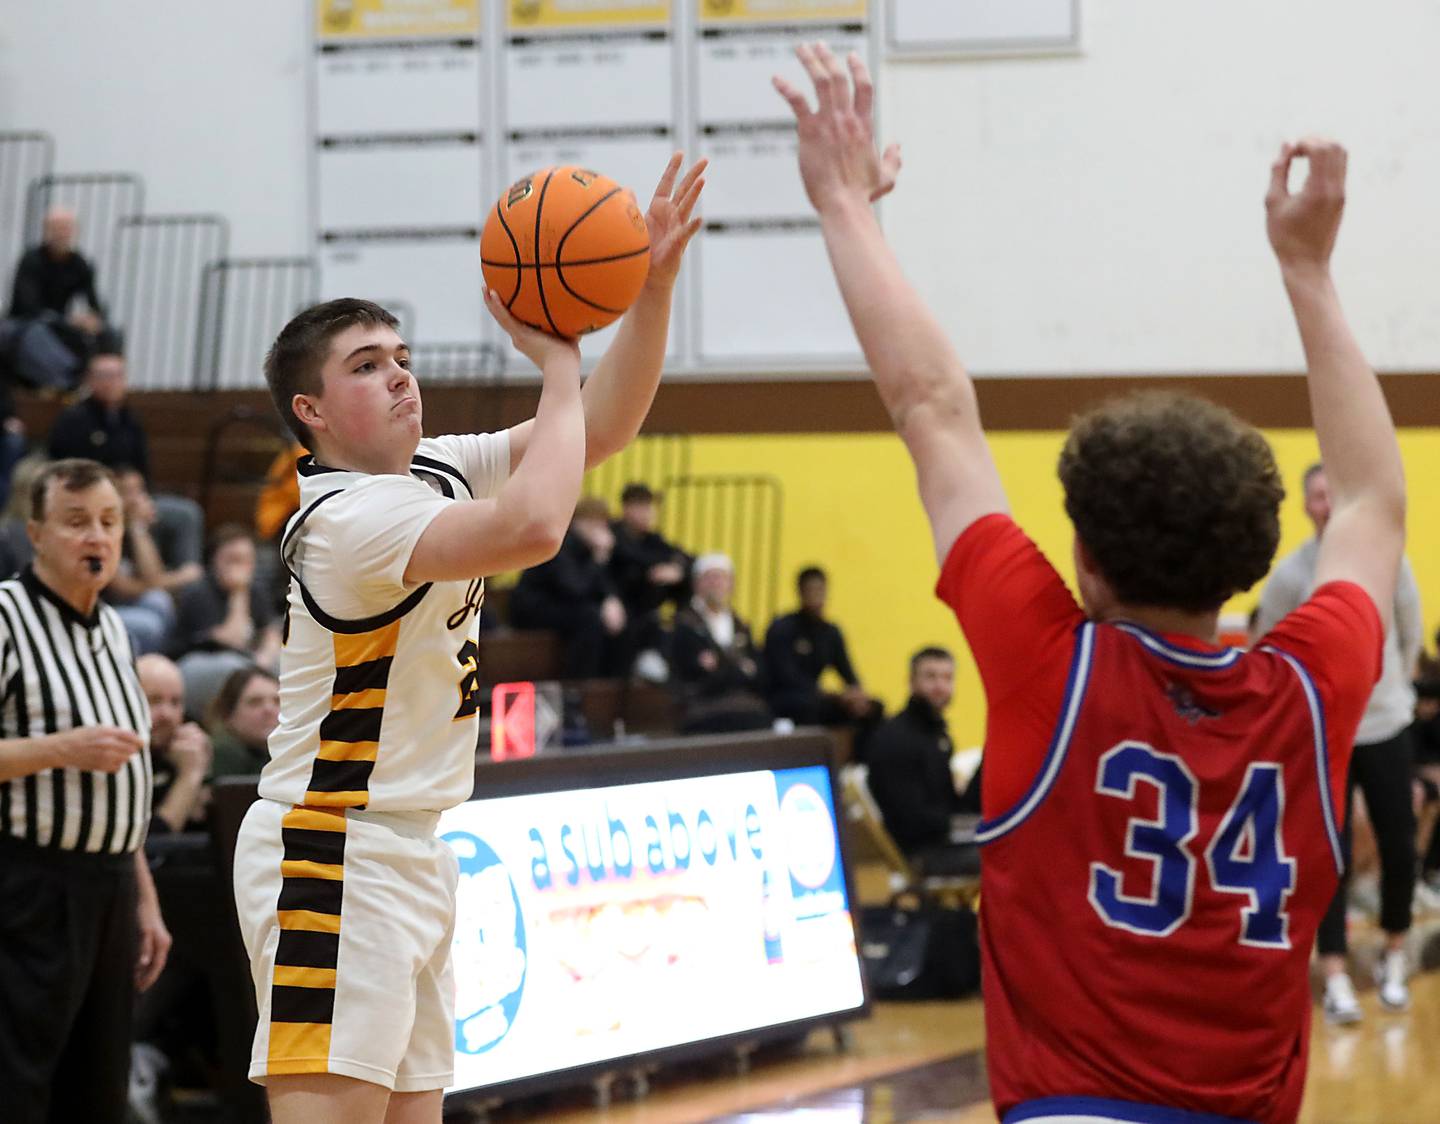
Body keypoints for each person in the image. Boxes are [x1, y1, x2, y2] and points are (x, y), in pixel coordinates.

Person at [776, 44, 1403, 1124]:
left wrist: (844, 205)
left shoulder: (1048, 666)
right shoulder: (1308, 685)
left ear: (1086, 563)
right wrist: (1308, 271)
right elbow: (1375, 502)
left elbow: (931, 402)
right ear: (1252, 558)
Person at [231, 152, 703, 1124]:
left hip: (413, 844)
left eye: (401, 356)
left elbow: (599, 430)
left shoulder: (435, 469)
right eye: (366, 366)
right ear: (309, 413)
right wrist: (559, 355)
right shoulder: (344, 517)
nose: (400, 376)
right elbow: (536, 526)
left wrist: (648, 289)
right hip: (332, 848)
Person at [0, 458, 171, 1123]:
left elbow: (119, 789)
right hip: (32, 882)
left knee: (98, 1085)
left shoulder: (115, 630)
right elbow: (80, 758)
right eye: (75, 523)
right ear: (36, 533)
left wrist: (146, 900)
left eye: (108, 521)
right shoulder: (8, 618)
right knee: (22, 1079)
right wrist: (61, 749)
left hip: (113, 888)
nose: (95, 537)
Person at [1256, 462, 1422, 1021]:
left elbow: (1409, 632)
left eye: (1334, 493)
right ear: (1306, 506)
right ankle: (1334, 972)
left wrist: (1389, 689)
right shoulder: (1290, 576)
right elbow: (1266, 647)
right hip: (1323, 733)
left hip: (1385, 724)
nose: (1327, 504)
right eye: (1318, 496)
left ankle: (1394, 952)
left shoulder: (1390, 565)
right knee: (1329, 855)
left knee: (1399, 846)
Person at [48, 351, 205, 571]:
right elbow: (68, 472)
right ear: (90, 380)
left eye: (118, 375)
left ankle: (189, 579)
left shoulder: (130, 419)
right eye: (105, 376)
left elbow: (143, 466)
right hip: (91, 501)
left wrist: (143, 498)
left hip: (132, 497)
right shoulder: (73, 420)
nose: (113, 382)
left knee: (186, 513)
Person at [866, 647, 980, 876]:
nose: (939, 686)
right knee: (1011, 856)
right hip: (922, 854)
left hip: (945, 841)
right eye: (930, 676)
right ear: (911, 681)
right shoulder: (895, 738)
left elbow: (951, 805)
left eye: (947, 677)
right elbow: (910, 820)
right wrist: (964, 825)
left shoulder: (937, 734)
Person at [508, 496, 628, 678]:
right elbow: (574, 588)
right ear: (581, 523)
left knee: (618, 617)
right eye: (598, 524)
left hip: (560, 606)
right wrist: (599, 559)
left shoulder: (587, 549)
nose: (603, 531)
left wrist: (611, 599)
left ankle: (609, 683)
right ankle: (578, 685)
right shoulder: (563, 544)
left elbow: (598, 586)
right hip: (533, 609)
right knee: (589, 618)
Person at [764, 566, 883, 746]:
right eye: (810, 590)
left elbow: (847, 671)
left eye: (819, 590)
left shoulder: (831, 632)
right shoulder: (782, 628)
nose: (816, 596)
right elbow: (787, 676)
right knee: (808, 706)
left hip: (820, 699)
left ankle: (860, 765)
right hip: (787, 698)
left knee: (874, 708)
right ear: (800, 592)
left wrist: (857, 694)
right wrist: (834, 696)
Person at [173, 524, 282, 716]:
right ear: (214, 561)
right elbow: (233, 640)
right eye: (233, 560)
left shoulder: (256, 590)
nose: (241, 567)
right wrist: (238, 593)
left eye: (247, 560)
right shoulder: (198, 592)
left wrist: (264, 659)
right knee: (237, 671)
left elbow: (270, 632)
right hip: (196, 662)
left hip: (242, 658)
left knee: (283, 661)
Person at [672, 553, 771, 733]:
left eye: (721, 578)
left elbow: (757, 670)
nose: (716, 584)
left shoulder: (741, 625)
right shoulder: (684, 623)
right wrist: (738, 668)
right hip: (700, 705)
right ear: (696, 584)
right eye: (709, 578)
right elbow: (693, 672)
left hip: (743, 702)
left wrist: (722, 665)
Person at [6, 206, 108, 379]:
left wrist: (95, 318)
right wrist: (68, 321)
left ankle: (105, 379)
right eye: (56, 228)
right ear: (46, 231)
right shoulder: (31, 260)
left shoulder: (80, 263)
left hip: (60, 322)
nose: (61, 233)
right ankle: (70, 373)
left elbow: (95, 302)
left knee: (108, 332)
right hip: (24, 323)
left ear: (75, 232)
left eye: (66, 228)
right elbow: (28, 306)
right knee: (38, 331)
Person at [609, 482, 690, 677]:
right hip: (621, 606)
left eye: (649, 507)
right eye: (642, 506)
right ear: (627, 508)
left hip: (644, 609)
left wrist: (676, 569)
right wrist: (658, 566)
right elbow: (629, 557)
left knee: (683, 585)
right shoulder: (614, 534)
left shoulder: (652, 539)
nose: (648, 513)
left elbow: (684, 556)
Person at [138, 653, 213, 835]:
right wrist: (189, 776)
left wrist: (204, 775)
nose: (167, 715)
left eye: (175, 702)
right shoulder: (117, 761)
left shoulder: (187, 750)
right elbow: (154, 850)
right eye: (154, 701)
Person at [207, 665, 281, 779]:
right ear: (228, 713)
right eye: (255, 702)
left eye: (277, 701)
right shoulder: (215, 758)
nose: (269, 710)